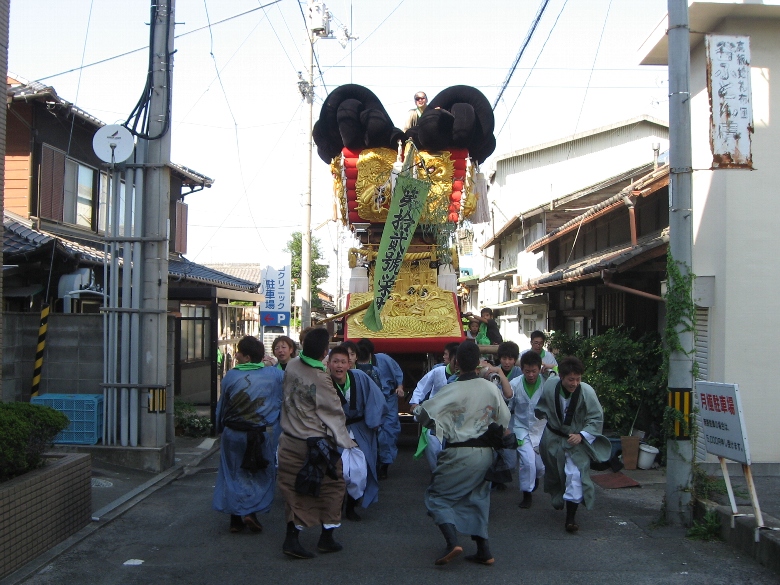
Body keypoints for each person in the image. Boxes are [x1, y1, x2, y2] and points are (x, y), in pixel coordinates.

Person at [414, 340, 511, 566]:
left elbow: (425, 415)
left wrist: (421, 412)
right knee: (478, 498)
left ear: (456, 362)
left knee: (438, 497)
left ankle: (452, 542)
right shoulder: (490, 388)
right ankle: (483, 550)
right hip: (486, 453)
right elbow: (504, 420)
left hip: (459, 452)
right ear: (478, 362)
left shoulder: (451, 389)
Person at [277, 328, 358, 559]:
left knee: (293, 490)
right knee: (332, 487)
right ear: (324, 352)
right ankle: (326, 537)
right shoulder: (322, 378)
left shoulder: (292, 365)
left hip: (288, 440)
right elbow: (334, 414)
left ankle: (292, 538)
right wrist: (346, 441)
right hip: (315, 446)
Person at [212, 336, 284, 534]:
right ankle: (251, 512)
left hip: (233, 433)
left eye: (239, 353)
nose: (236, 355)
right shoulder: (274, 375)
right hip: (260, 433)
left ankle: (235, 519)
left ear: (247, 357)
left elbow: (222, 406)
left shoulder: (231, 376)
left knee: (233, 473)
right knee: (259, 473)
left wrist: (218, 427)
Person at [534, 356, 611, 533]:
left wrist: (582, 435)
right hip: (553, 438)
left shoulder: (587, 392)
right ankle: (558, 497)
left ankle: (570, 518)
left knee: (575, 475)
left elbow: (596, 417)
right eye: (571, 379)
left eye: (578, 379)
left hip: (575, 441)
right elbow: (542, 406)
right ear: (561, 376)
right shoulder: (550, 386)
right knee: (555, 473)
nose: (575, 383)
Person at [327, 346, 387, 521]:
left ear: (350, 364)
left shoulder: (360, 377)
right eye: (335, 361)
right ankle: (336, 505)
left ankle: (352, 505)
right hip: (334, 431)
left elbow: (375, 398)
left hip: (360, 430)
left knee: (359, 472)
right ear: (329, 364)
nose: (339, 365)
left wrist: (374, 421)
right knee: (338, 471)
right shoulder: (323, 382)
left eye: (343, 362)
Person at [355, 338, 404, 480]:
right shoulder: (355, 365)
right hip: (367, 403)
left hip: (388, 400)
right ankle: (372, 463)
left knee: (389, 431)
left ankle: (385, 464)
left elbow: (397, 373)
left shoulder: (384, 359)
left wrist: (400, 386)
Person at [408, 342, 460, 471]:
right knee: (434, 445)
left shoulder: (465, 376)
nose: (457, 364)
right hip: (435, 415)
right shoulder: (438, 371)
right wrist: (415, 402)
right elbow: (422, 386)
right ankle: (437, 472)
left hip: (457, 417)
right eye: (455, 360)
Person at [507, 350, 547, 509]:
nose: (531, 375)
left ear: (540, 369)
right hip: (521, 428)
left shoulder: (547, 383)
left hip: (540, 429)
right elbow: (507, 407)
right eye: (527, 371)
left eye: (534, 371)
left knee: (540, 467)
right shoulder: (515, 384)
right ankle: (527, 493)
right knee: (527, 462)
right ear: (522, 369)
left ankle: (534, 478)